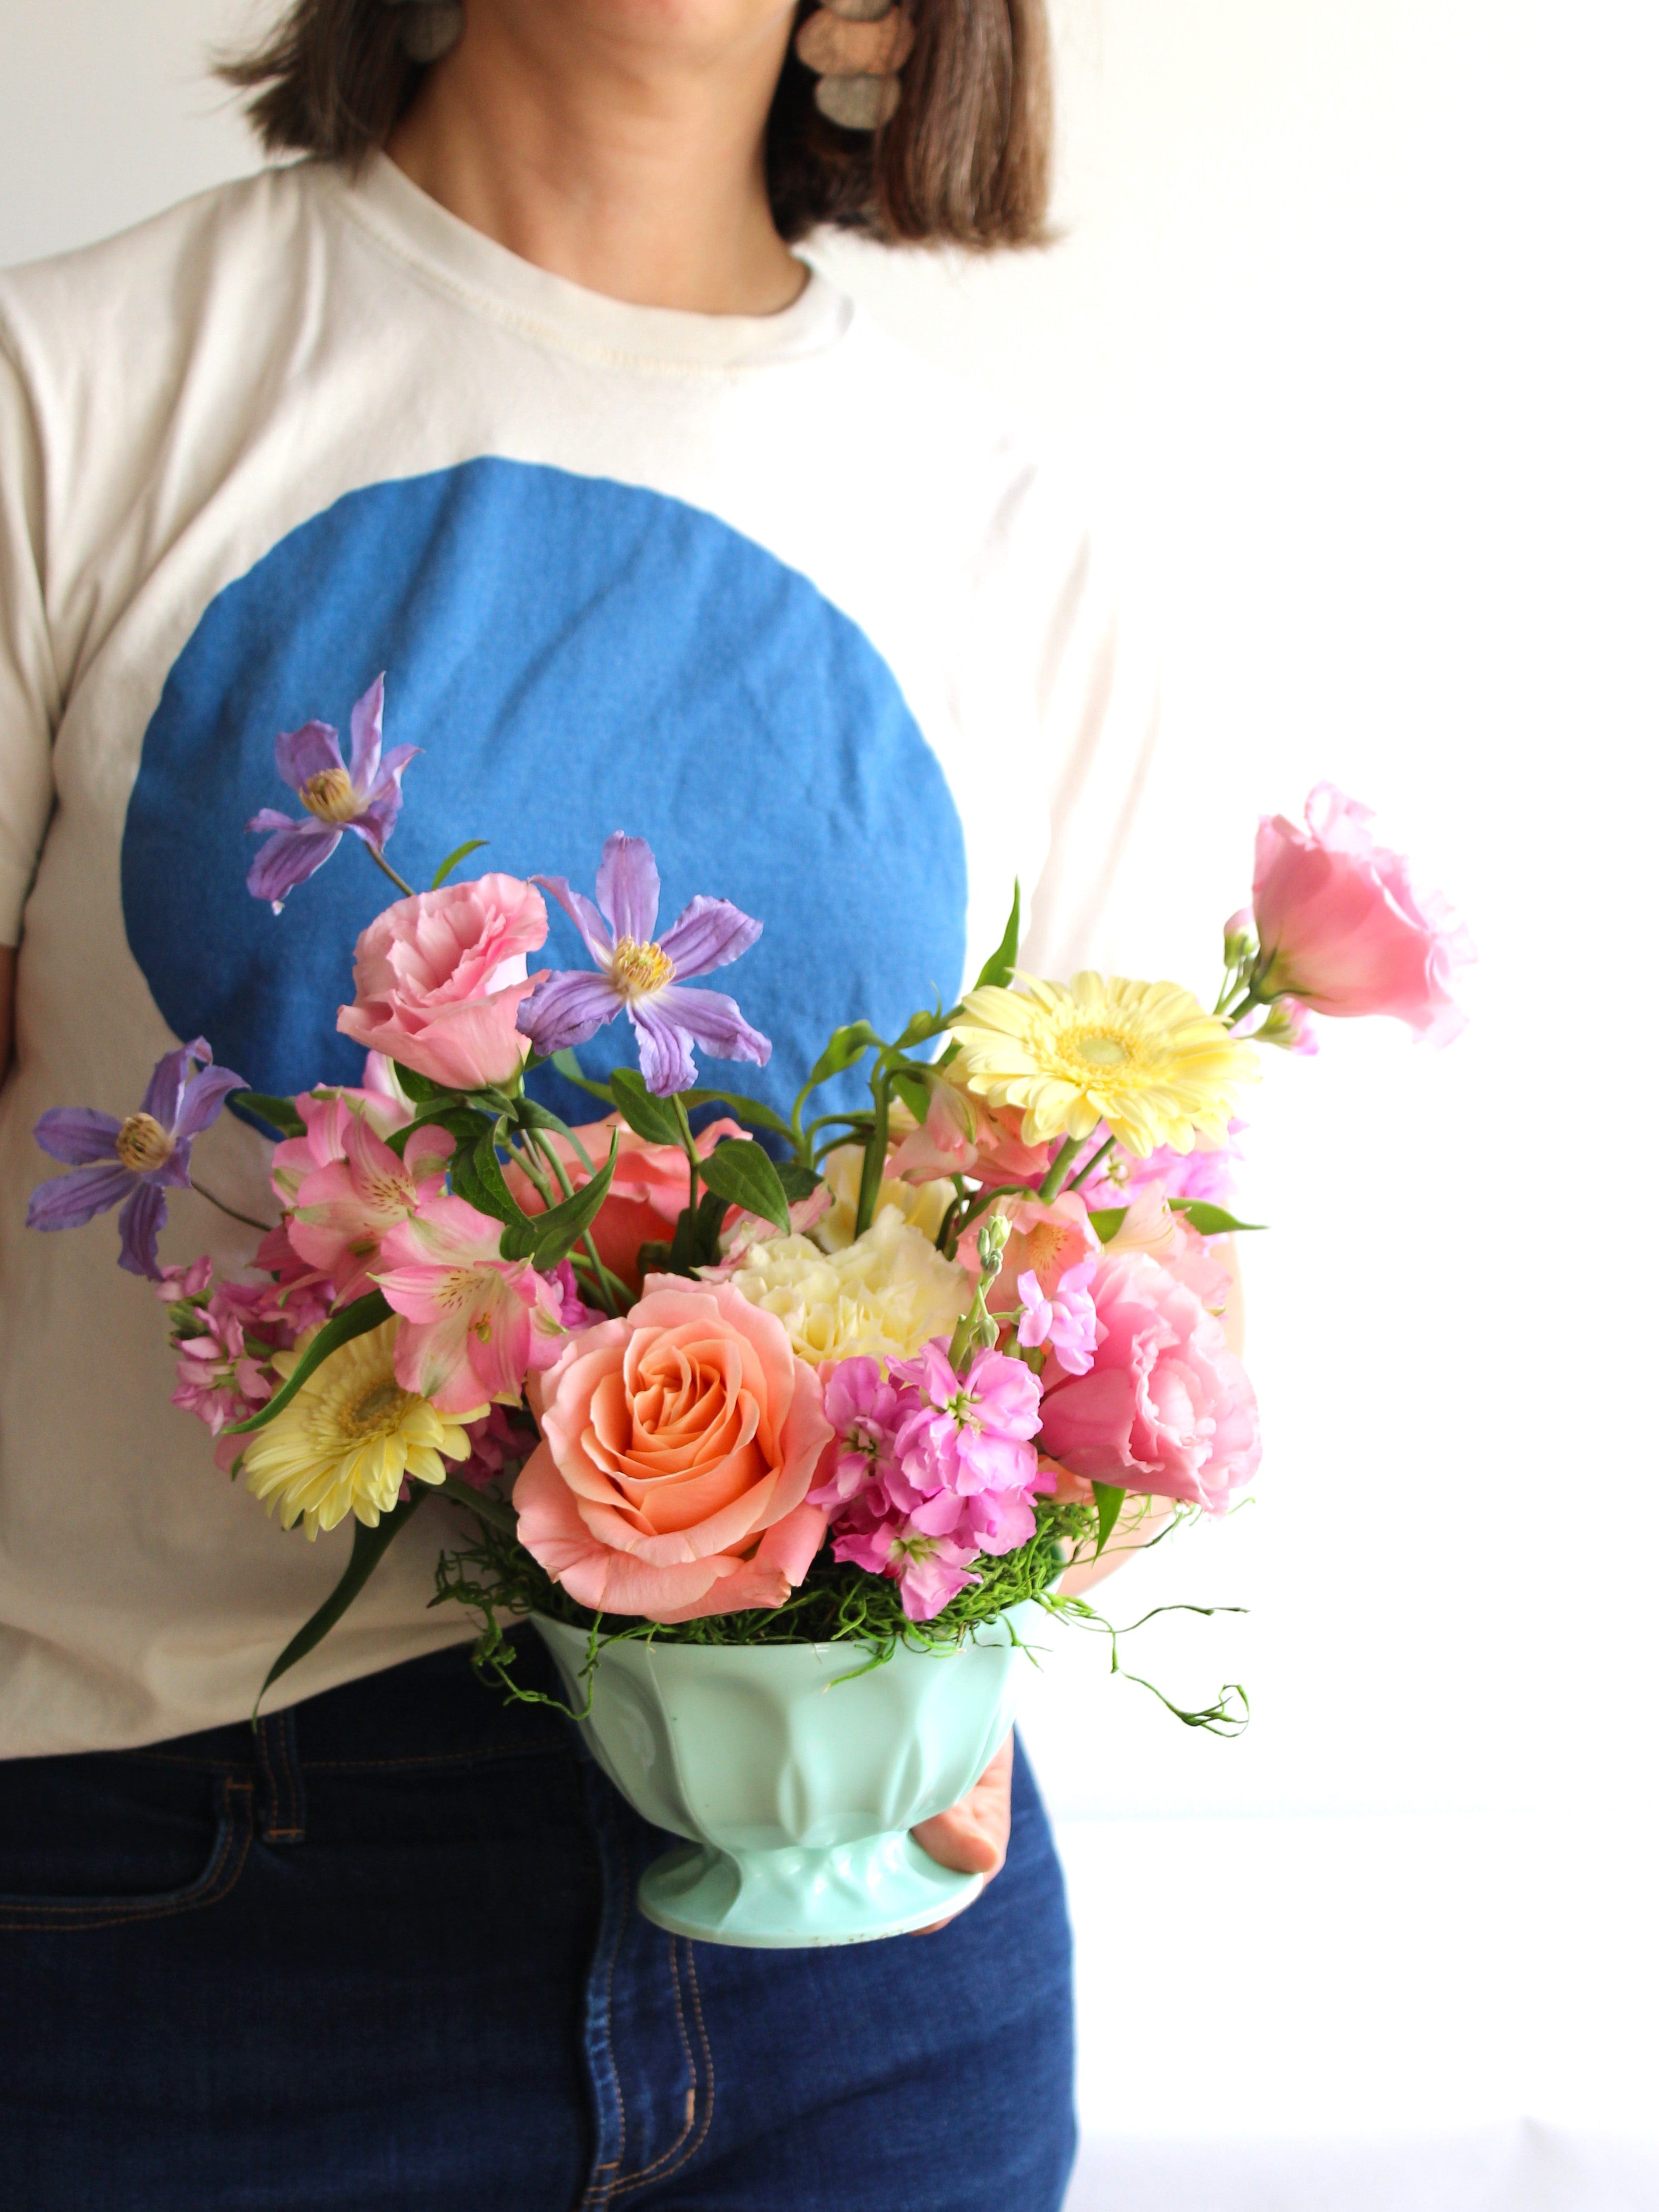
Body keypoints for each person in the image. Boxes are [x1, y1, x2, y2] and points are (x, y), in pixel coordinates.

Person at [0, 2, 1161, 2204]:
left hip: (861, 1961)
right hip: (163, 1909)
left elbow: (1083, 1265)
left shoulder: (1017, 544)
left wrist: (967, 1645)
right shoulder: (65, 392)